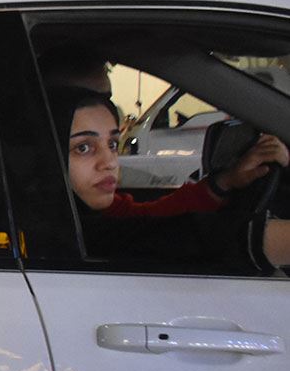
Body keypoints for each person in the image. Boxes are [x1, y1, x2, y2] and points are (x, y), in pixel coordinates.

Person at [49, 85, 290, 270]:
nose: (110, 162)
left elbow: (150, 216)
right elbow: (176, 235)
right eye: (83, 148)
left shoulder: (89, 211)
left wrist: (225, 182)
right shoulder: (55, 232)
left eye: (112, 144)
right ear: (47, 154)